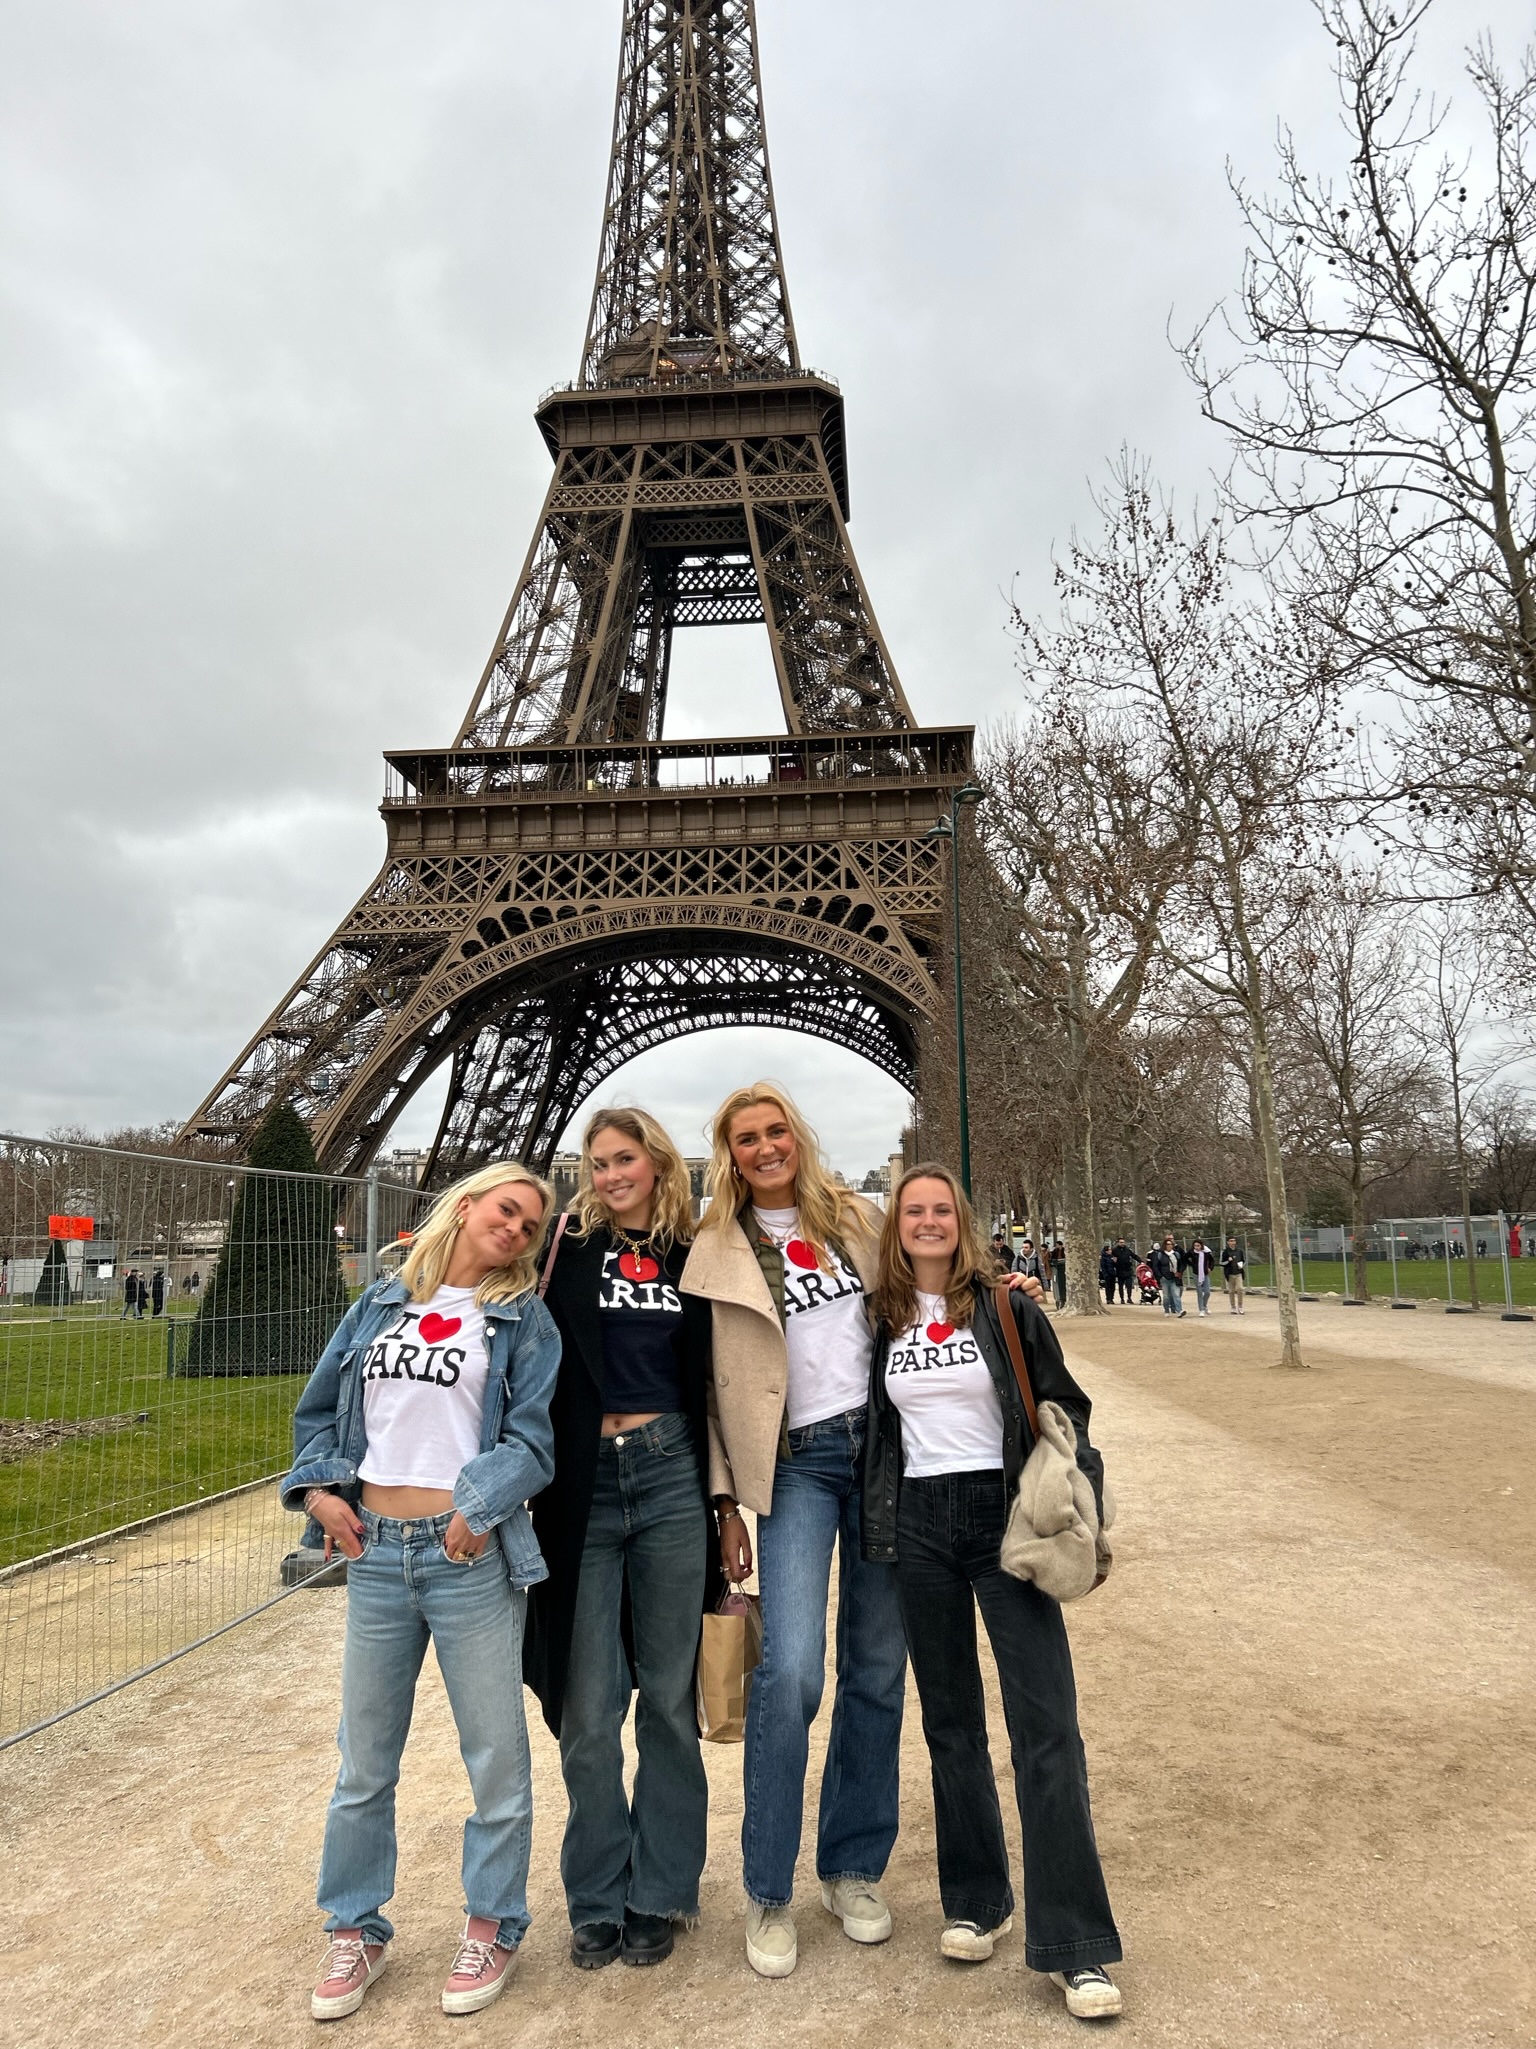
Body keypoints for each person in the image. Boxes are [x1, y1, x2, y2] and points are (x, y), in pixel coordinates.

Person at [681, 1082, 1039, 1979]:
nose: (766, 1148)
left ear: (796, 1135)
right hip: (795, 1462)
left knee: (877, 1671)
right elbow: (705, 1387)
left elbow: (937, 1282)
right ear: (728, 1151)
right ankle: (768, 1885)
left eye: (775, 1132)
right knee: (792, 1669)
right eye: (746, 1138)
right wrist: (726, 1504)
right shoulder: (713, 1244)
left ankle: (850, 1865)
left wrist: (1010, 1293)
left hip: (882, 1458)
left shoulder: (855, 1216)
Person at [284, 1161, 561, 2023]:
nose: (515, 1230)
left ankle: (493, 1922)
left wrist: (479, 1510)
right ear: (468, 1203)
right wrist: (322, 1493)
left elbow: (532, 1444)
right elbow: (320, 1412)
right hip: (373, 1554)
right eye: (507, 1210)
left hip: (464, 1553)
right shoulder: (379, 1303)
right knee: (364, 1759)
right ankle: (354, 1926)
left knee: (495, 1759)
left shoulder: (522, 1319)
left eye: (530, 1226)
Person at [864, 1163, 1123, 2020]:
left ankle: (1076, 1941)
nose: (929, 1221)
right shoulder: (883, 1314)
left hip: (1004, 1515)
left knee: (1047, 1726)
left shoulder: (1009, 1306)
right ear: (896, 1225)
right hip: (919, 1525)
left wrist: (1070, 1494)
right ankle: (978, 1897)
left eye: (942, 1209)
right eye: (915, 1210)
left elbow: (1065, 1407)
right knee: (950, 1727)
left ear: (961, 1221)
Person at [527, 1108, 717, 1971]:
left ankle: (660, 1889)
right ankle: (597, 1892)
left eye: (624, 1158)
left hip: (672, 1470)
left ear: (657, 1162)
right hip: (584, 1487)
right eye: (597, 1162)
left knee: (670, 1701)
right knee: (588, 1708)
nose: (609, 1175)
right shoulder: (564, 1249)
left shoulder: (697, 1252)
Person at [1152, 1236, 1185, 1318]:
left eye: (1171, 1244)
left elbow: (1181, 1264)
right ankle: (1166, 1310)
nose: (1169, 1246)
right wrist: (1160, 1276)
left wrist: (1179, 1272)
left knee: (1176, 1295)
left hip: (1174, 1277)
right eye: (1167, 1244)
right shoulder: (1160, 1255)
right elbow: (1155, 1266)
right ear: (1165, 1245)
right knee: (1166, 1296)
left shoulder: (1176, 1254)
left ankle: (1179, 1310)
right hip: (1165, 1278)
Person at [1187, 1239, 1216, 1318]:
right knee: (1199, 1292)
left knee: (1207, 1292)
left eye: (1198, 1246)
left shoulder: (1206, 1252)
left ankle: (1204, 1305)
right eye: (1195, 1246)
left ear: (1201, 1246)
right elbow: (1185, 1258)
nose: (1196, 1247)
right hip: (1196, 1273)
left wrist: (1210, 1267)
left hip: (1205, 1273)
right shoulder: (1192, 1252)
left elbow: (1212, 1260)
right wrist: (1192, 1264)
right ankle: (1201, 1309)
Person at [1221, 1236, 1246, 1315]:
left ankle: (1240, 1306)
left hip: (1238, 1273)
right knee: (1231, 1291)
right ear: (1228, 1242)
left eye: (1234, 1241)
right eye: (1231, 1241)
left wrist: (1242, 1265)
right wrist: (1228, 1261)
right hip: (1230, 1274)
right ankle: (1233, 1306)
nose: (1233, 1243)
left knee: (1240, 1289)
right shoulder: (1225, 1252)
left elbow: (1244, 1260)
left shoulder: (1239, 1251)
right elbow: (1221, 1263)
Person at [1113, 1239, 1135, 1306]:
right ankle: (1122, 1298)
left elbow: (1134, 1256)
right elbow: (1111, 1258)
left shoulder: (1127, 1250)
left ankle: (1129, 1298)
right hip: (1120, 1271)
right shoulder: (1114, 1250)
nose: (1122, 1244)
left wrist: (1141, 1261)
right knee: (1120, 1286)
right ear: (1118, 1243)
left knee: (1129, 1285)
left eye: (1123, 1242)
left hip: (1128, 1270)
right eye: (1121, 1242)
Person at [1050, 1239, 1067, 1309]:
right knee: (1056, 1284)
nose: (1056, 1246)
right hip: (1056, 1267)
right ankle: (1059, 1300)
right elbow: (1052, 1258)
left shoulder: (1064, 1250)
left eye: (1057, 1245)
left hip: (1062, 1266)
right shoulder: (1055, 1251)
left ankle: (1062, 1299)